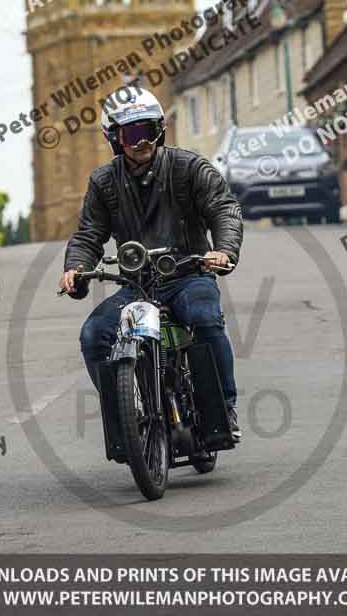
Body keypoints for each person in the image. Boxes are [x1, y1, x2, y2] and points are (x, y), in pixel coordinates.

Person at [60, 85, 244, 440]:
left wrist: (224, 250)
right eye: (132, 133)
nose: (142, 141)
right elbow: (88, 234)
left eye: (149, 130)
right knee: (94, 335)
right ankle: (124, 423)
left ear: (160, 130)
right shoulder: (102, 182)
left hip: (190, 276)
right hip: (137, 287)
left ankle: (223, 409)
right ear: (114, 137)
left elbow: (224, 209)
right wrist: (75, 267)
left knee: (205, 319)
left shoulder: (189, 167)